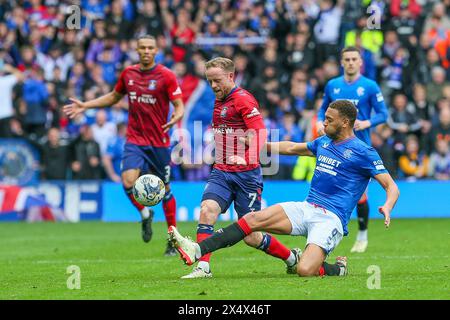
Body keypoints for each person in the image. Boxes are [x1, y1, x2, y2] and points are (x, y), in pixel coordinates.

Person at [169, 100, 399, 277]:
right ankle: (197, 250)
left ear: (345, 123)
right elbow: (292, 147)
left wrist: (387, 206)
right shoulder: (323, 142)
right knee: (252, 220)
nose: (324, 123)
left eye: (329, 119)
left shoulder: (363, 152)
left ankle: (337, 269)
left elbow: (391, 186)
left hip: (331, 219)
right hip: (307, 207)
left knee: (305, 270)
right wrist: (259, 145)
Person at [63, 35, 185, 256]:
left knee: (166, 190)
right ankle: (145, 213)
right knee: (127, 181)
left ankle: (173, 239)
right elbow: (113, 96)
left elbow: (179, 104)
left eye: (150, 47)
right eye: (142, 48)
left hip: (159, 142)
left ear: (156, 50)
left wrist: (177, 116)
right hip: (135, 140)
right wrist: (85, 105)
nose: (146, 51)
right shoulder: (128, 74)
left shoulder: (166, 76)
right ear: (137, 50)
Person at [181, 57, 299, 279]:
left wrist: (245, 157)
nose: (213, 86)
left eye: (217, 80)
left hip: (247, 176)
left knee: (251, 236)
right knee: (207, 210)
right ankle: (203, 267)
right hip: (222, 172)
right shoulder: (219, 100)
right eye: (209, 81)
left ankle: (291, 258)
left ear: (230, 76)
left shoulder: (244, 100)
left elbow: (261, 134)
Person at [316, 46, 388, 253]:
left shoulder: (370, 86)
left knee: (360, 196)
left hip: (359, 146)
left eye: (353, 59)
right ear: (341, 62)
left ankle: (362, 234)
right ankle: (324, 232)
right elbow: (323, 109)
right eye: (346, 59)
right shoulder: (333, 85)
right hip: (334, 145)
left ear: (360, 62)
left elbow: (383, 114)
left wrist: (367, 123)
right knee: (331, 187)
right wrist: (322, 122)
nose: (350, 62)